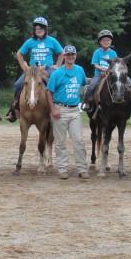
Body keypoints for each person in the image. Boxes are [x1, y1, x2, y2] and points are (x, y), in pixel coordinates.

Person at [6, 16, 63, 122]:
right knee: (18, 84)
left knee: (57, 83)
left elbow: (61, 53)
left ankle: (57, 108)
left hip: (48, 69)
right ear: (34, 30)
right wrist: (24, 68)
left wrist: (58, 65)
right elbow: (19, 54)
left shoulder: (52, 41)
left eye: (41, 28)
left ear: (45, 30)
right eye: (37, 29)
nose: (39, 30)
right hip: (32, 70)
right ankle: (15, 108)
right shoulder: (30, 41)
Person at [47, 45, 89, 180]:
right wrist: (53, 108)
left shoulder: (79, 70)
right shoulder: (57, 73)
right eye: (68, 55)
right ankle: (63, 169)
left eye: (72, 55)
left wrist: (99, 77)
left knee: (79, 140)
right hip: (61, 109)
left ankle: (82, 168)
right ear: (64, 56)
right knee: (60, 142)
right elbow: (49, 91)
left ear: (75, 56)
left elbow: (84, 82)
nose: (70, 57)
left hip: (75, 110)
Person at [81, 29, 125, 115]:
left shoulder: (113, 53)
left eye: (108, 40)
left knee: (125, 82)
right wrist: (103, 69)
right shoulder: (97, 52)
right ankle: (87, 102)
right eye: (104, 40)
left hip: (111, 74)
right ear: (100, 42)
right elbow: (95, 64)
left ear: (111, 41)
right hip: (99, 74)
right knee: (92, 85)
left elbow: (115, 65)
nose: (106, 42)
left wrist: (109, 71)